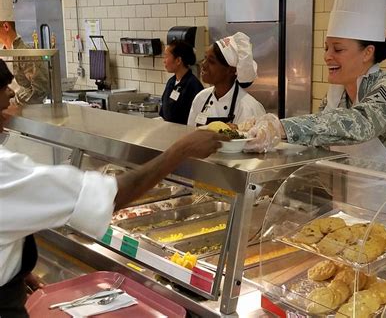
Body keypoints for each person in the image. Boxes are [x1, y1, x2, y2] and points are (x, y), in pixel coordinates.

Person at [0, 59, 227, 317]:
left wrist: (13, 264)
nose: (10, 93)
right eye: (3, 86)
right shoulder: (5, 171)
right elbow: (109, 195)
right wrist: (181, 151)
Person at [244, 0, 386, 231]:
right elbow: (320, 139)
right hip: (356, 214)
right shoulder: (336, 96)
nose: (327, 56)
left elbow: (359, 124)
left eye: (338, 49)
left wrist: (281, 126)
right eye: (326, 47)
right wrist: (265, 143)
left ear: (367, 52)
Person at [187, 32, 266, 127]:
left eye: (211, 61)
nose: (203, 65)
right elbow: (191, 134)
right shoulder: (201, 98)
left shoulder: (249, 108)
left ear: (231, 70)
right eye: (205, 58)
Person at [0, 0, 50, 105]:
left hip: (26, 115)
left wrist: (13, 102)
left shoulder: (27, 54)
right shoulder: (2, 53)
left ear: (6, 27)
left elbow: (40, 90)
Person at [159, 40, 203, 125]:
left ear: (178, 60)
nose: (164, 61)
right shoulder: (171, 82)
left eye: (166, 57)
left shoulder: (193, 85)